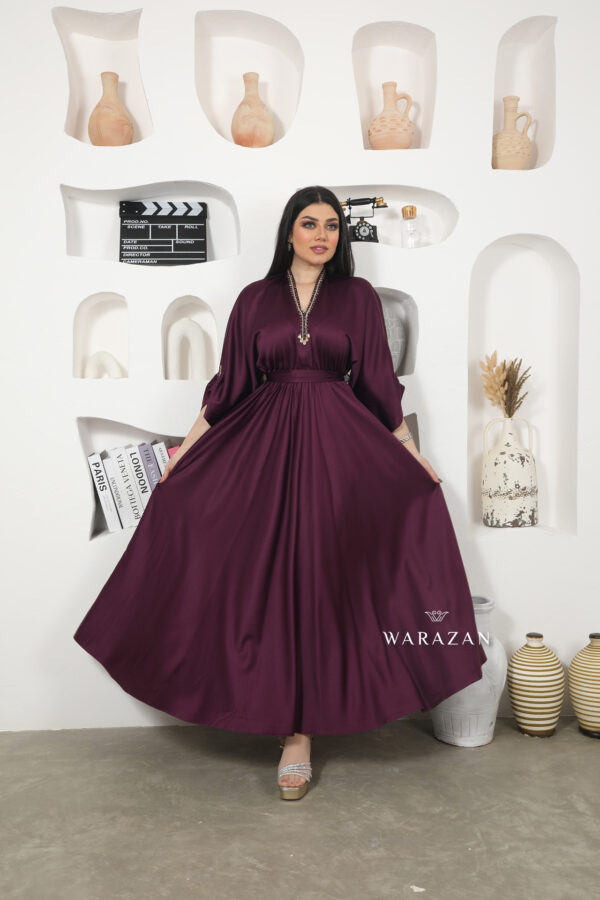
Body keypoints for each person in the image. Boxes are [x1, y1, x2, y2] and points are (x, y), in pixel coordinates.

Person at [74, 185, 487, 802]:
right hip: (264, 446)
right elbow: (230, 385)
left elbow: (378, 381)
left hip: (338, 449)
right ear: (289, 231)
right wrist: (185, 451)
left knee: (322, 581)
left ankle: (305, 729)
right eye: (309, 223)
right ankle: (291, 730)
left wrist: (408, 451)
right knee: (263, 580)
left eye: (331, 226)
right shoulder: (254, 298)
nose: (322, 235)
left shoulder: (358, 296)